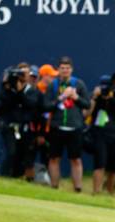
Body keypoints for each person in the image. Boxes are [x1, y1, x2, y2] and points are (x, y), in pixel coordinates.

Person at [0, 63, 39, 179]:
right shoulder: (9, 89)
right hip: (10, 125)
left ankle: (24, 179)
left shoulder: (33, 91)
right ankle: (5, 177)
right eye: (21, 73)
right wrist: (6, 86)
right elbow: (3, 102)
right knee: (12, 152)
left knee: (26, 157)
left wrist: (19, 92)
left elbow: (30, 104)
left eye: (25, 73)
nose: (23, 76)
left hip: (26, 128)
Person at [42, 56, 90, 191]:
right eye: (62, 68)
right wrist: (62, 97)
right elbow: (46, 106)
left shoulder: (79, 84)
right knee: (54, 158)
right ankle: (54, 187)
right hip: (57, 126)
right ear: (58, 70)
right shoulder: (53, 85)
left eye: (67, 68)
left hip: (74, 127)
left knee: (75, 159)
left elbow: (87, 104)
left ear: (72, 70)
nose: (65, 71)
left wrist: (75, 97)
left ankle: (77, 188)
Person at [88, 73, 115, 194]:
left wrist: (113, 100)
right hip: (99, 134)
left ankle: (110, 193)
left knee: (114, 168)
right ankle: (96, 192)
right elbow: (87, 112)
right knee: (100, 164)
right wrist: (95, 97)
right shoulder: (95, 96)